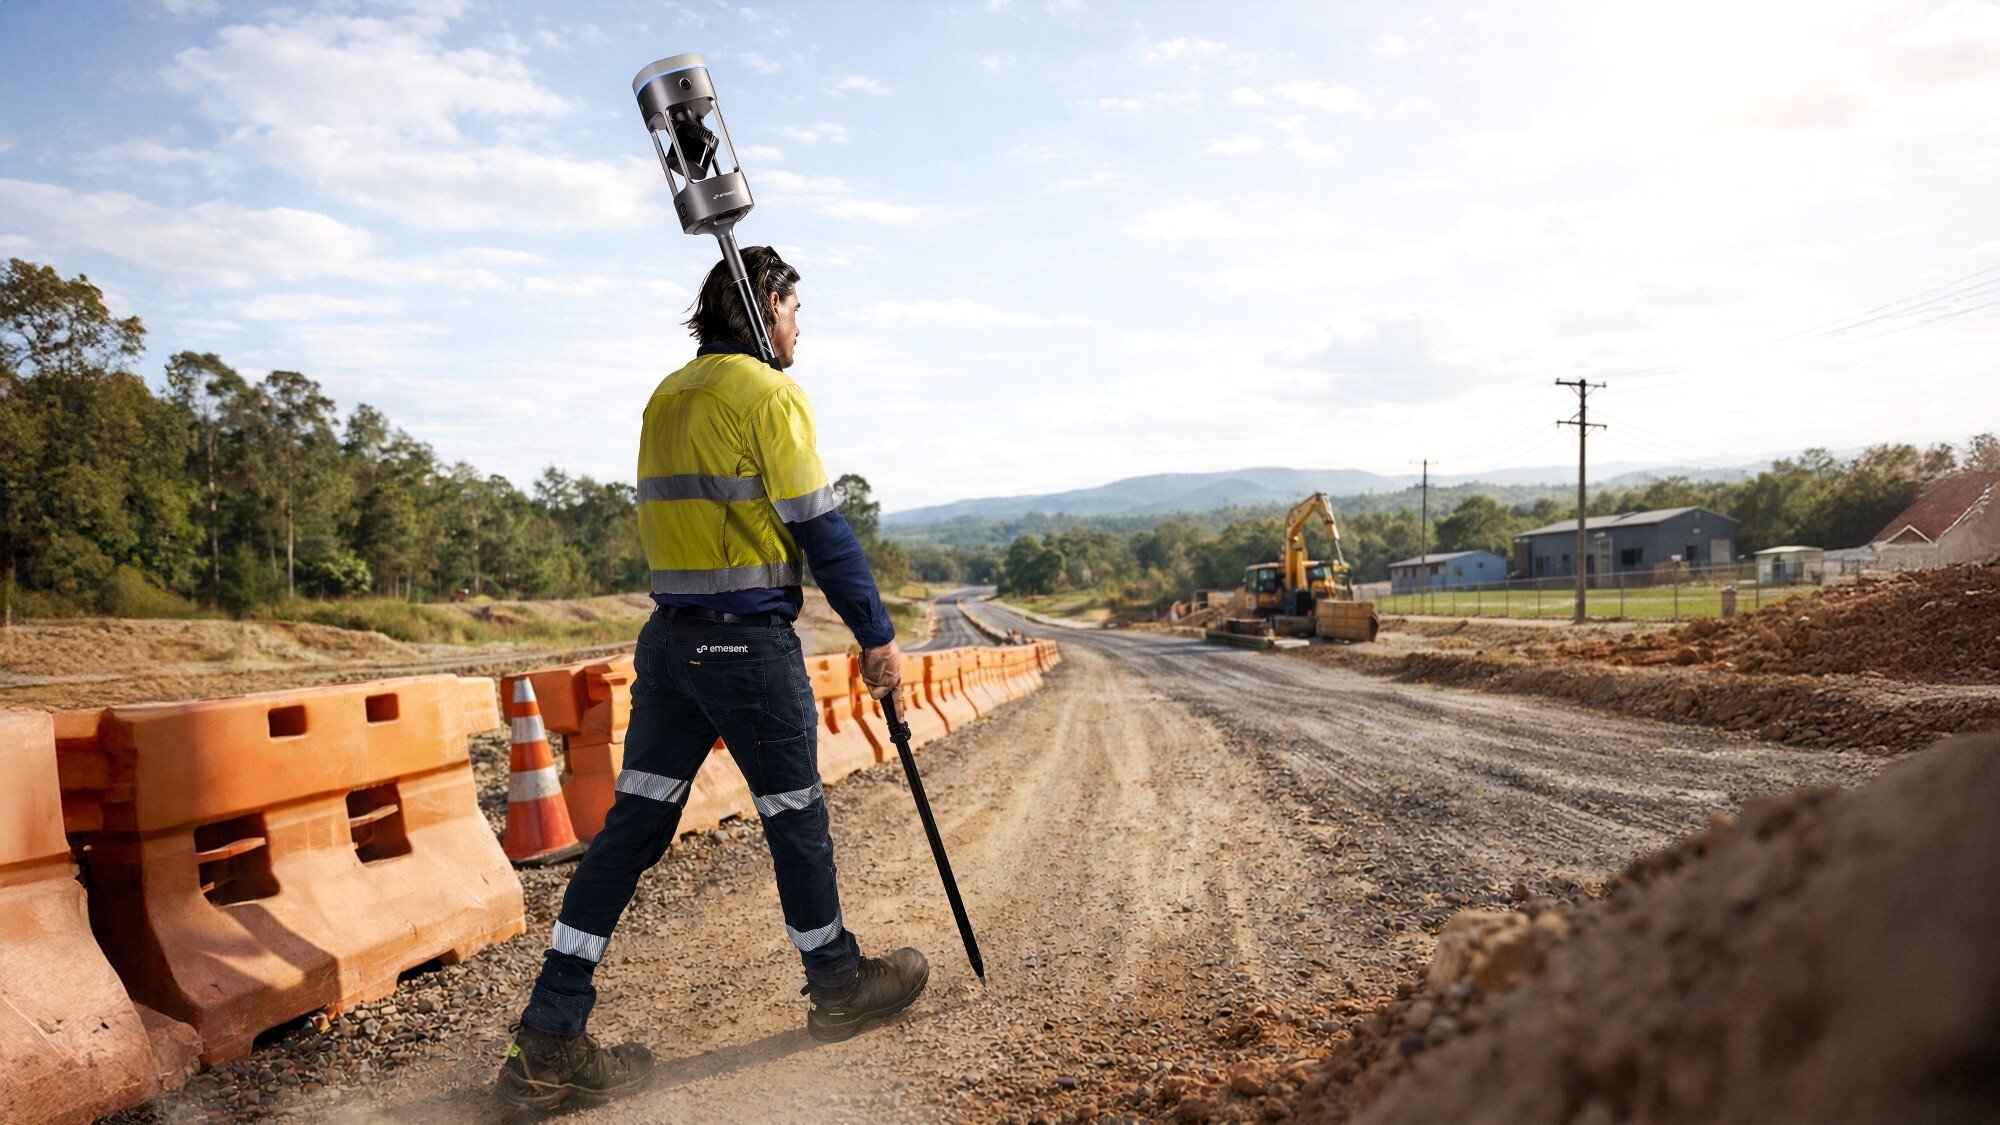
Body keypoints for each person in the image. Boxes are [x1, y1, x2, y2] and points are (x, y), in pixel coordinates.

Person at [496, 247, 929, 1110]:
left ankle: (548, 1035)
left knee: (629, 836)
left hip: (669, 650)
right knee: (796, 817)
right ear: (766, 304)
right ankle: (837, 986)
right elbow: (822, 531)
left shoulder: (669, 395)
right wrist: (876, 634)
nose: (799, 325)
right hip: (746, 651)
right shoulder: (769, 394)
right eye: (795, 308)